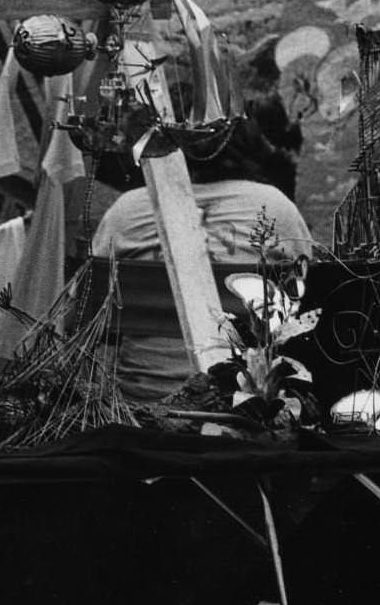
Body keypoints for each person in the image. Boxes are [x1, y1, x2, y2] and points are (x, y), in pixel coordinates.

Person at [90, 93, 313, 401]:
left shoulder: (125, 212)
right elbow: (310, 305)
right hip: (248, 406)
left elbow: (87, 313)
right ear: (244, 137)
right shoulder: (275, 207)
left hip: (142, 401)